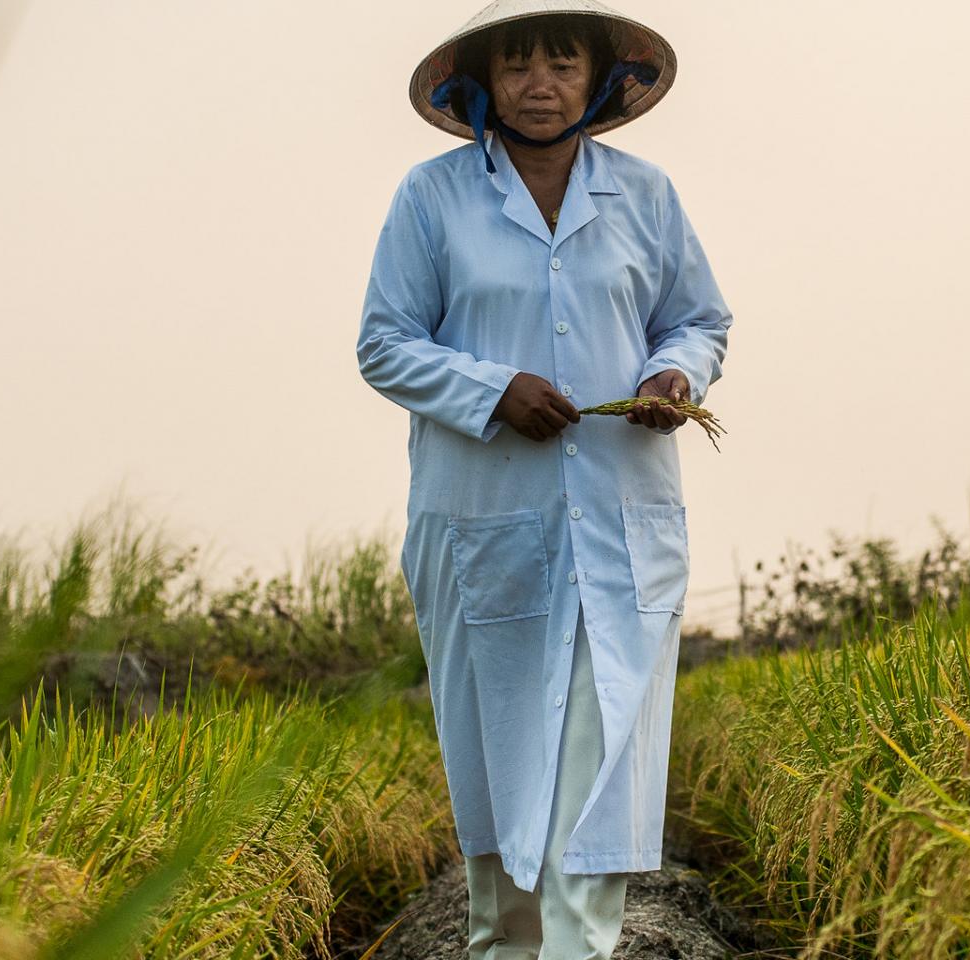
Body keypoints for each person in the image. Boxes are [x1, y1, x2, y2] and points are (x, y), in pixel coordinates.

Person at [355, 2, 731, 956]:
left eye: (560, 63)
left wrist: (673, 376)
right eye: (517, 65)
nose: (538, 84)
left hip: (618, 522)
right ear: (482, 83)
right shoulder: (432, 198)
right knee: (501, 763)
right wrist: (493, 389)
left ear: (598, 78)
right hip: (486, 526)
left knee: (598, 760)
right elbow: (383, 344)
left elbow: (698, 320)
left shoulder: (645, 196)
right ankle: (503, 946)